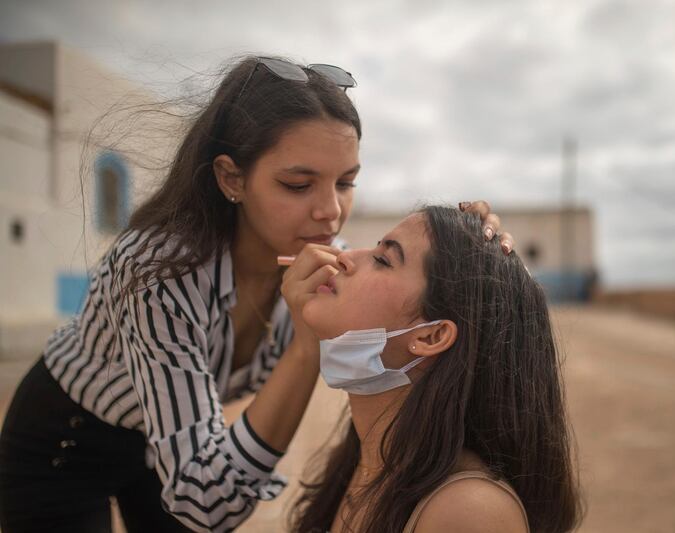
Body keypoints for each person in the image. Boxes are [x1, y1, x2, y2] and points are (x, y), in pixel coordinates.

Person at [0, 57, 515, 533]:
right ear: (231, 177)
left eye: (346, 182)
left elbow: (417, 300)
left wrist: (476, 254)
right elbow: (204, 498)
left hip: (172, 446)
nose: (331, 213)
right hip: (66, 441)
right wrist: (304, 344)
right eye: (298, 184)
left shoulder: (324, 261)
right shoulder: (156, 269)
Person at [291, 206, 582, 533]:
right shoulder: (364, 461)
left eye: (383, 259)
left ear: (432, 336)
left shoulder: (469, 512)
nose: (344, 257)